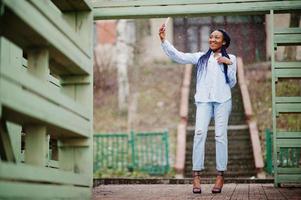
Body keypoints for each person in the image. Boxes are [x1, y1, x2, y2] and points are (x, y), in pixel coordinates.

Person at [159, 23, 237, 194]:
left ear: (224, 42)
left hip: (223, 100)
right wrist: (164, 41)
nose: (212, 39)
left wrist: (228, 64)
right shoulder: (201, 57)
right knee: (199, 133)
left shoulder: (231, 58)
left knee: (220, 135)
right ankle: (196, 175)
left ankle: (220, 175)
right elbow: (179, 56)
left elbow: (232, 83)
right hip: (203, 101)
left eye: (216, 37)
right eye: (211, 36)